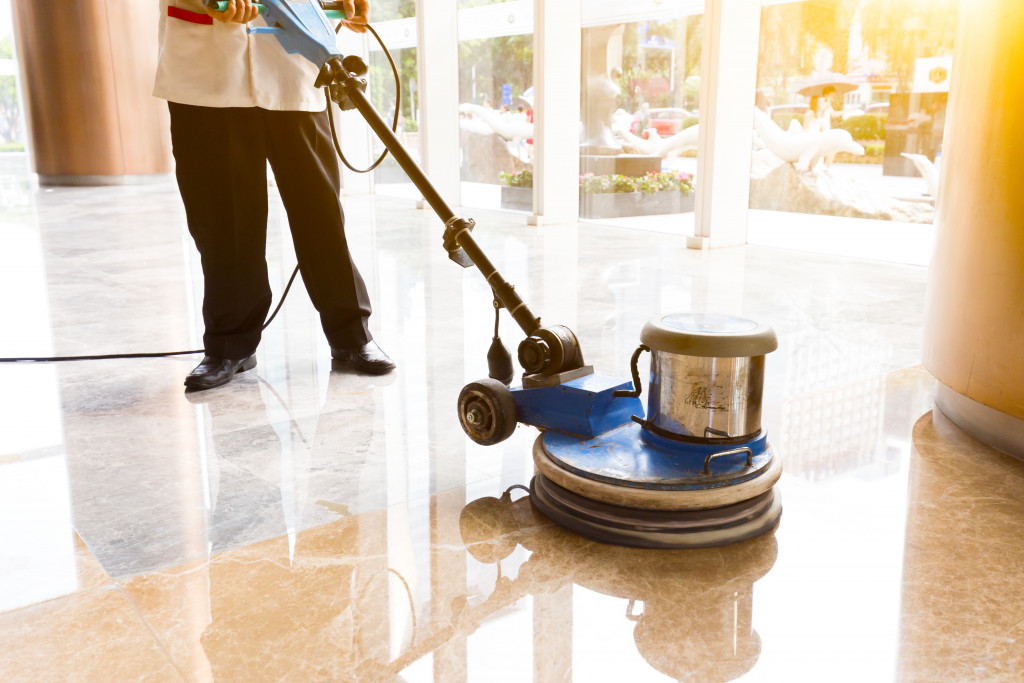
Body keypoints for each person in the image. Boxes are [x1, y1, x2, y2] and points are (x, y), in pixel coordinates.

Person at [154, 0, 394, 392]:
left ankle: (352, 335)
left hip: (293, 57)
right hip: (206, 62)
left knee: (320, 209)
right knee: (220, 216)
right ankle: (230, 344)